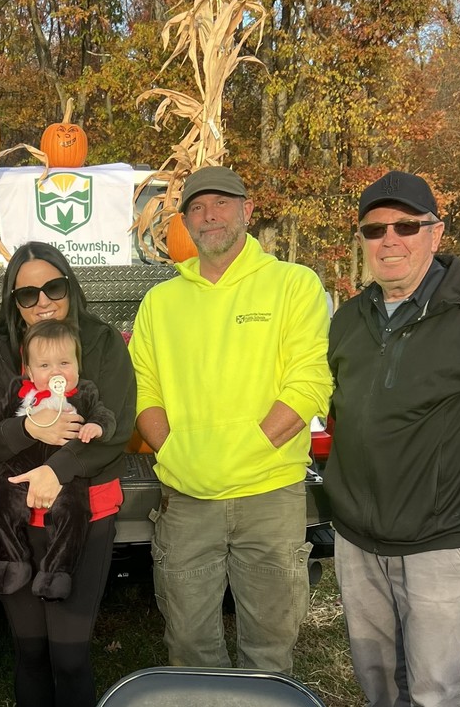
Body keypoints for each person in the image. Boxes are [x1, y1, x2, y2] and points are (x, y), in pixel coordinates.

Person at [325, 170, 460, 707]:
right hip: (357, 539)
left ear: (436, 233)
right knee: (377, 683)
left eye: (406, 225)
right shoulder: (349, 319)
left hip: (440, 541)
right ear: (363, 240)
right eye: (375, 230)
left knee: (436, 692)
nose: (390, 240)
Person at [129, 165, 332, 673]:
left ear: (247, 211)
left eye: (221, 203)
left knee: (269, 648)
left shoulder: (293, 285)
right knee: (190, 647)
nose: (208, 215)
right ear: (186, 224)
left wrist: (238, 453)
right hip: (186, 498)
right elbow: (143, 390)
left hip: (268, 495)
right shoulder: (160, 301)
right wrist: (174, 452)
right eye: (196, 207)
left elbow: (309, 383)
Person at [0, 242, 135, 707]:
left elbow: (115, 429)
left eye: (53, 287)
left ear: (70, 286)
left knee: (70, 655)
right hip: (11, 515)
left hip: (83, 512)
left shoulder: (100, 342)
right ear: (12, 302)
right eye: (27, 294)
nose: (43, 301)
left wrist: (56, 472)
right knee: (31, 650)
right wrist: (29, 427)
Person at [0, 318, 116, 601]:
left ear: (77, 364)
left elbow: (104, 414)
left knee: (73, 511)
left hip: (65, 467)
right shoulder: (19, 390)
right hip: (22, 462)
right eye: (45, 366)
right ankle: (11, 559)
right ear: (29, 370)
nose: (55, 372)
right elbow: (0, 415)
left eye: (64, 363)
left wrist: (96, 426)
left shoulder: (85, 391)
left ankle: (57, 572)